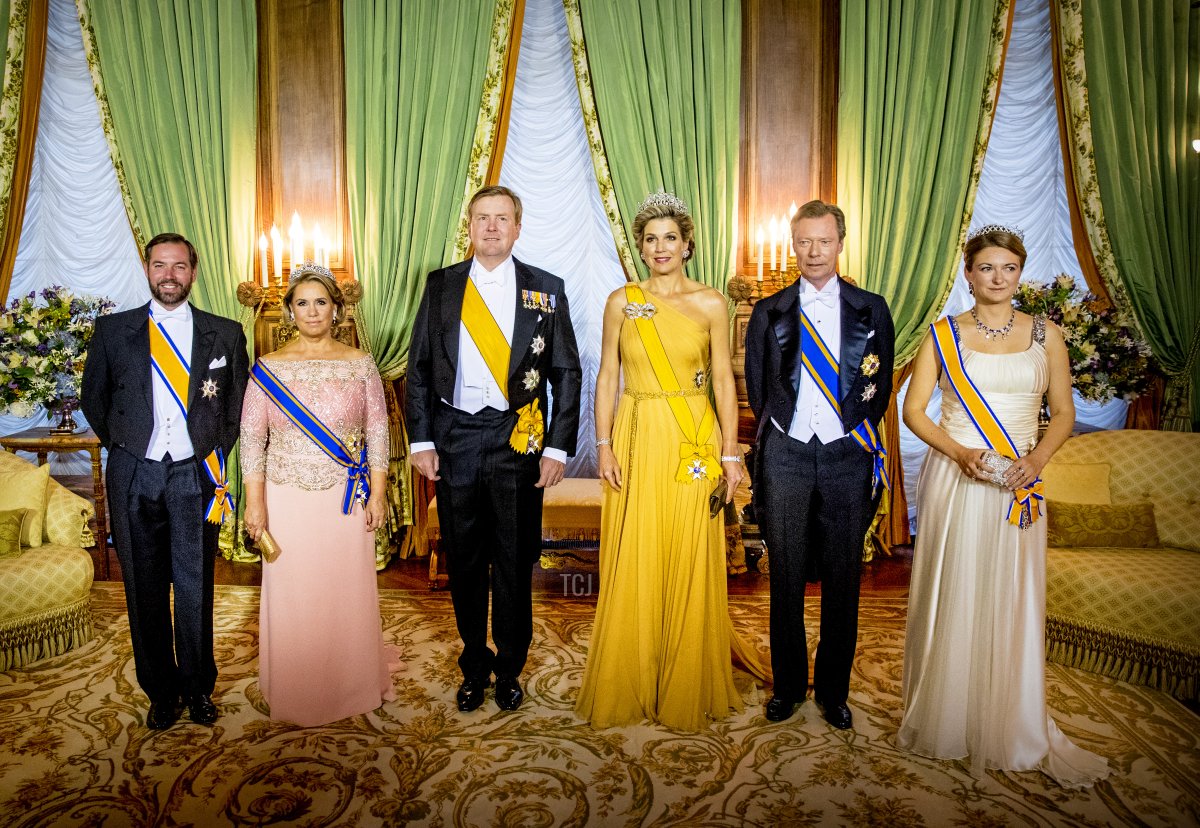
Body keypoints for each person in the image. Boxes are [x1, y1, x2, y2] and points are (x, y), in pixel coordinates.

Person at [897, 226, 1108, 786]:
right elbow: (914, 412)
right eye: (986, 268)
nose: (997, 277)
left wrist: (1036, 462)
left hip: (1020, 480)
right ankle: (949, 715)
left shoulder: (1049, 336)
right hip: (956, 474)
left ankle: (1009, 718)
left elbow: (1062, 412)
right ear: (969, 273)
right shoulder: (943, 335)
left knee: (1011, 593)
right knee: (957, 588)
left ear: (1020, 272)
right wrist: (961, 453)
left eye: (1008, 268)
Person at [575, 192, 767, 731]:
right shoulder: (621, 300)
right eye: (650, 239)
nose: (659, 248)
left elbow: (726, 384)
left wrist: (730, 454)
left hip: (693, 440)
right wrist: (605, 443)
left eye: (669, 238)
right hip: (636, 435)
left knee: (688, 546)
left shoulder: (710, 303)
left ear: (687, 245)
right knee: (637, 547)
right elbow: (608, 376)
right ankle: (636, 672)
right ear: (640, 246)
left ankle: (684, 673)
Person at [407, 185, 582, 712]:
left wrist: (557, 448)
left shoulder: (545, 290)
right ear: (470, 225)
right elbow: (417, 368)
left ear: (517, 227)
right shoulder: (441, 286)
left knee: (513, 559)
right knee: (464, 560)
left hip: (517, 440)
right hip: (455, 436)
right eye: (482, 217)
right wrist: (421, 439)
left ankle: (509, 669)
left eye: (501, 218)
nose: (490, 227)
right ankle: (474, 665)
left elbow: (566, 372)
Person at [81, 232, 249, 729]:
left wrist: (209, 452)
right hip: (134, 472)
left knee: (195, 586)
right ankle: (161, 691)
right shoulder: (113, 331)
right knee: (144, 587)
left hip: (196, 474)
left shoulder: (227, 332)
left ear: (193, 272)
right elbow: (95, 399)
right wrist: (130, 445)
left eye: (179, 266)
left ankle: (198, 688)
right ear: (148, 269)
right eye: (160, 265)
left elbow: (235, 407)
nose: (169, 275)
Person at [743, 200, 895, 728]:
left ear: (840, 243)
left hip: (846, 456)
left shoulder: (871, 308)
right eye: (804, 241)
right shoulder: (769, 311)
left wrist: (849, 433)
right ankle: (786, 686)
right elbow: (758, 387)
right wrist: (783, 432)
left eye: (823, 241)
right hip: (785, 452)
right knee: (783, 575)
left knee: (842, 576)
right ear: (793, 245)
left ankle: (833, 691)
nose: (813, 251)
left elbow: (881, 387)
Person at [240, 263, 396, 727]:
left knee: (345, 591)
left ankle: (351, 682)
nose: (312, 311)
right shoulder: (267, 367)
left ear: (338, 310)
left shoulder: (361, 363)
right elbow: (251, 441)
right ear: (289, 310)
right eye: (302, 302)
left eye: (321, 302)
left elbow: (379, 434)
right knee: (292, 593)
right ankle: (293, 684)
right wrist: (256, 504)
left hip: (345, 498)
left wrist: (380, 494)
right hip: (287, 497)